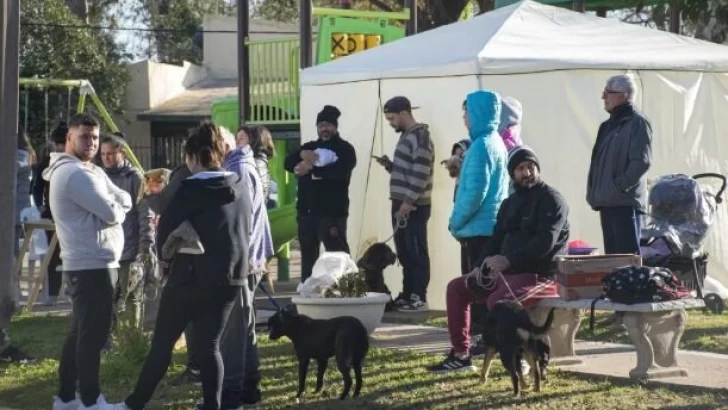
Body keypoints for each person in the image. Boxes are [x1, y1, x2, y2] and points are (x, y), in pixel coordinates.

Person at [116, 122, 252, 410]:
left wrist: (165, 260)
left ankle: (133, 404)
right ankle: (212, 406)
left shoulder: (192, 188)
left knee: (163, 345)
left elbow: (165, 230)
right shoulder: (240, 185)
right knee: (210, 346)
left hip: (191, 278)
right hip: (231, 278)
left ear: (194, 157)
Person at [428, 146, 568, 373]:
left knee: (500, 302)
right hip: (507, 274)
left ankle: (518, 356)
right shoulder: (508, 204)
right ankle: (461, 355)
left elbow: (545, 243)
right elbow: (495, 240)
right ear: (512, 174)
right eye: (521, 168)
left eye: (531, 167)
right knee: (457, 288)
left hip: (541, 276)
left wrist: (509, 261)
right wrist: (478, 267)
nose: (527, 172)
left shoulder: (552, 200)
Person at [48, 114, 132, 410]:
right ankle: (91, 400)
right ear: (69, 139)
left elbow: (124, 196)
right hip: (90, 266)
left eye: (95, 137)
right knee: (92, 337)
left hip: (92, 263)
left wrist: (116, 204)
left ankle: (67, 397)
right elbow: (113, 212)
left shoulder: (89, 170)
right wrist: (117, 208)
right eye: (85, 137)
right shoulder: (76, 175)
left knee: (80, 333)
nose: (92, 143)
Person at [215, 126, 274, 409]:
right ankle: (250, 388)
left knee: (235, 331)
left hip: (245, 259)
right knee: (245, 326)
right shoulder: (245, 162)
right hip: (252, 257)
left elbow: (241, 220)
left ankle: (233, 395)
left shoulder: (238, 167)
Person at [284, 105, 357, 282]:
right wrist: (302, 153)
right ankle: (307, 295)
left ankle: (344, 293)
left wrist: (311, 169)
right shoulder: (310, 146)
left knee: (337, 257)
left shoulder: (345, 149)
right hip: (306, 214)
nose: (324, 129)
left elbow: (340, 172)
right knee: (308, 258)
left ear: (335, 127)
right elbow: (287, 162)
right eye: (320, 125)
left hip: (332, 214)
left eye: (328, 125)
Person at [375, 96, 434, 312]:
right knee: (405, 251)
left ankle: (419, 296)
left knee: (416, 250)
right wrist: (391, 166)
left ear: (404, 113)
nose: (390, 123)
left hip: (414, 206)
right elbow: (411, 170)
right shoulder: (408, 136)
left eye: (392, 118)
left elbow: (421, 171)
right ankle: (408, 294)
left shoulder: (421, 136)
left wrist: (409, 201)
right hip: (402, 203)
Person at [587, 74, 652, 255]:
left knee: (627, 262)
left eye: (608, 92)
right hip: (608, 203)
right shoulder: (607, 126)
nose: (603, 97)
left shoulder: (637, 123)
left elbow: (642, 162)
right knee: (613, 263)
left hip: (625, 204)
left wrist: (619, 187)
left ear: (623, 95)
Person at [450, 90, 509, 277]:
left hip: (477, 232)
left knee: (475, 289)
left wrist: (455, 222)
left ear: (478, 113)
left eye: (467, 111)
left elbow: (475, 193)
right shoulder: (496, 141)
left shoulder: (481, 146)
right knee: (484, 288)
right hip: (489, 228)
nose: (463, 117)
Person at [100, 134, 155, 329]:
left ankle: (132, 338)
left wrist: (145, 245)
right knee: (107, 297)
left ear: (122, 153)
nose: (106, 158)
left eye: (111, 154)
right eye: (103, 154)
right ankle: (109, 337)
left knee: (132, 295)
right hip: (106, 248)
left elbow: (145, 213)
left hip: (129, 247)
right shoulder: (99, 176)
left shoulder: (135, 177)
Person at [32, 122, 68, 305]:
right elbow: (37, 187)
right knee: (52, 254)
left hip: (70, 214)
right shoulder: (46, 162)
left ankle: (69, 291)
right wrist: (40, 206)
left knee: (70, 252)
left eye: (64, 143)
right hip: (51, 214)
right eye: (58, 144)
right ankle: (53, 293)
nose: (61, 147)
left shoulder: (74, 161)